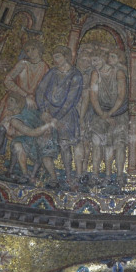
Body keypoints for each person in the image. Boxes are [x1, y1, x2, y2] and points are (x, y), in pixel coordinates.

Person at [0, 40, 49, 167]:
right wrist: (24, 94)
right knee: (2, 128)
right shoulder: (23, 64)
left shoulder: (45, 68)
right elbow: (8, 80)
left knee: (19, 136)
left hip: (31, 106)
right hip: (15, 99)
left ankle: (11, 169)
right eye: (27, 51)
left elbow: (46, 91)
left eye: (32, 49)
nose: (30, 53)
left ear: (39, 49)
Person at [34, 45, 85, 183]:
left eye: (58, 56)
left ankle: (68, 176)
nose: (55, 60)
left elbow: (70, 100)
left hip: (65, 115)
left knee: (64, 145)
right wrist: (44, 110)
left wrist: (56, 118)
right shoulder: (52, 72)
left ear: (66, 57)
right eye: (54, 57)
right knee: (44, 142)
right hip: (48, 112)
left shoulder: (76, 75)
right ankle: (44, 174)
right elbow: (40, 90)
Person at [84, 46, 128, 179]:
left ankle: (119, 175)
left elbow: (121, 96)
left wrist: (110, 114)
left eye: (96, 60)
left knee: (119, 144)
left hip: (118, 113)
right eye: (92, 61)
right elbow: (93, 97)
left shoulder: (118, 72)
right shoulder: (95, 74)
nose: (94, 63)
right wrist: (102, 114)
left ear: (103, 59)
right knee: (96, 142)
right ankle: (95, 174)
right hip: (100, 113)